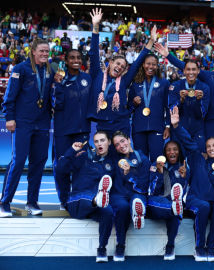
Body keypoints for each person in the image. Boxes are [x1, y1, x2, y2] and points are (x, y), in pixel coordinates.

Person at [0, 38, 55, 217]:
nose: (45, 54)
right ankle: (4, 202)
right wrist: (9, 117)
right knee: (18, 160)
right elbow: (10, 96)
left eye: (47, 51)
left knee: (38, 163)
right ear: (33, 51)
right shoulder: (20, 69)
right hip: (23, 122)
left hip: (43, 123)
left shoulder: (50, 70)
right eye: (42, 51)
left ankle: (32, 202)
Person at [170, 106, 214, 262]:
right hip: (196, 198)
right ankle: (199, 248)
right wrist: (176, 126)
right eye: (209, 146)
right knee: (203, 206)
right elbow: (187, 141)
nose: (211, 149)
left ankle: (210, 247)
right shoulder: (198, 158)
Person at [87, 8, 156, 138]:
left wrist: (151, 42)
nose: (120, 67)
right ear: (111, 62)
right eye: (118, 64)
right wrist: (95, 26)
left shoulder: (124, 81)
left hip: (121, 124)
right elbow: (93, 53)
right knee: (105, 156)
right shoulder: (97, 73)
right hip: (102, 125)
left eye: (123, 67)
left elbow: (137, 64)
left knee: (122, 158)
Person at [55, 131, 115, 263]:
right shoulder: (83, 157)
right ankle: (96, 200)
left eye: (103, 140)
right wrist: (71, 151)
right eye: (97, 141)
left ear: (109, 142)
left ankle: (101, 249)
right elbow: (60, 169)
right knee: (86, 196)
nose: (99, 144)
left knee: (108, 211)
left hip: (96, 208)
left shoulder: (112, 163)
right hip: (76, 202)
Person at [52, 49, 93, 209]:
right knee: (61, 166)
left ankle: (76, 197)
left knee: (80, 166)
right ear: (66, 60)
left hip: (82, 130)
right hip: (62, 130)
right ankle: (63, 200)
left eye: (78, 57)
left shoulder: (87, 78)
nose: (76, 60)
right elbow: (56, 104)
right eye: (72, 58)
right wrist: (58, 85)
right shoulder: (59, 78)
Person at [109, 131, 151, 261]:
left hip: (137, 193)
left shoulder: (143, 160)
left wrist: (128, 174)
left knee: (138, 198)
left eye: (122, 141)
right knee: (122, 207)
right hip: (118, 195)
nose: (121, 146)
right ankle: (120, 245)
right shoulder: (114, 159)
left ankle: (138, 210)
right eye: (116, 144)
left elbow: (144, 187)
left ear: (129, 139)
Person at [147, 140, 189, 260]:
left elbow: (182, 193)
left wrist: (183, 178)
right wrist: (159, 173)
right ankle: (172, 208)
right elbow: (154, 192)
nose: (172, 152)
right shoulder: (156, 165)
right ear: (164, 153)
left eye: (175, 149)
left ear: (179, 151)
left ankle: (170, 245)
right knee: (151, 201)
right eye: (168, 150)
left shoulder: (183, 167)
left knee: (174, 213)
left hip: (174, 205)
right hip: (157, 205)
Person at [129, 54, 171, 163]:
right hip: (139, 127)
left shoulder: (164, 83)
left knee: (157, 160)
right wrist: (133, 103)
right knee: (140, 160)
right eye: (148, 63)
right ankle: (143, 180)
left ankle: (156, 180)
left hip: (157, 127)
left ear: (157, 66)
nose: (150, 66)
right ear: (143, 65)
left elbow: (168, 106)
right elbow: (128, 107)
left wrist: (167, 126)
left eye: (154, 64)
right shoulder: (135, 84)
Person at [168, 60, 210, 152]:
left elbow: (202, 114)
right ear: (184, 71)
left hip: (197, 130)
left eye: (194, 69)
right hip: (178, 129)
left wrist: (198, 101)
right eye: (188, 69)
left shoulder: (204, 88)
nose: (191, 72)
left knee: (197, 159)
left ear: (198, 71)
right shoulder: (175, 86)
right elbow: (172, 111)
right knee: (178, 161)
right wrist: (181, 101)